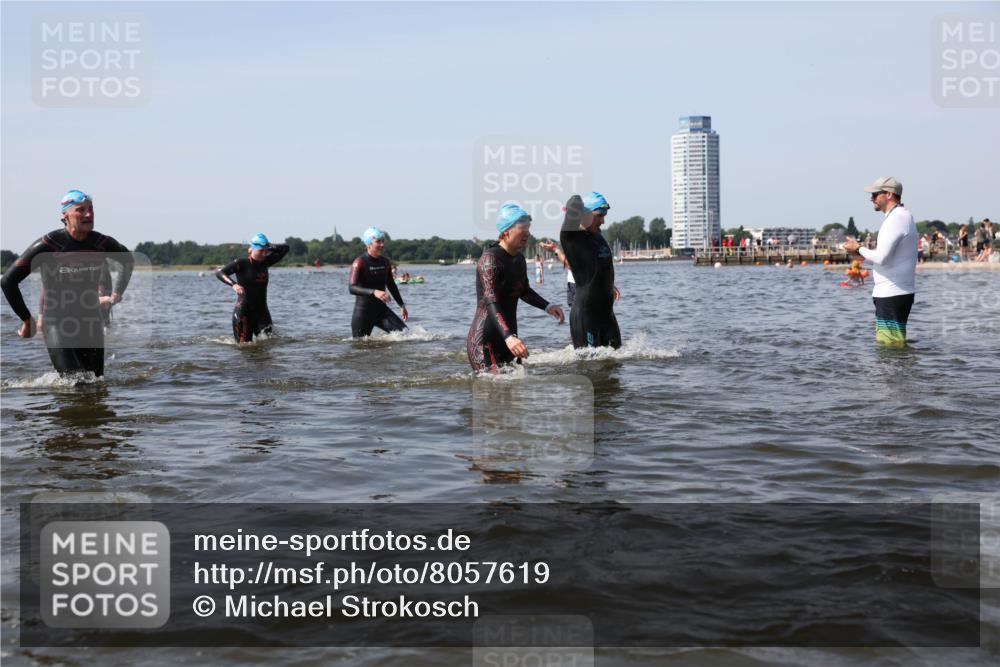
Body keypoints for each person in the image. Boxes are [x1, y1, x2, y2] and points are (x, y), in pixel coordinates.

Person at [1, 189, 134, 377]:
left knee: (95, 383)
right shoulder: (50, 244)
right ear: (66, 216)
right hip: (57, 322)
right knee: (75, 381)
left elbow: (127, 260)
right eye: (80, 210)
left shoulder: (100, 242)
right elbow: (8, 281)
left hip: (91, 323)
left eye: (91, 209)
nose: (88, 214)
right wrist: (27, 320)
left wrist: (117, 293)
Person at [467, 203, 564, 373]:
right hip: (485, 341)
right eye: (523, 229)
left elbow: (523, 290)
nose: (528, 233)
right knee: (491, 394)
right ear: (506, 232)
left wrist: (548, 306)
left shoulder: (518, 259)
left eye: (529, 228)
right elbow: (491, 301)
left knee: (514, 395)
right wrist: (508, 336)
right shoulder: (490, 260)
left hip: (509, 339)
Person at [844, 177, 917, 348]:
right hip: (895, 292)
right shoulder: (901, 216)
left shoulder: (897, 218)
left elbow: (881, 257)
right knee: (893, 346)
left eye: (875, 194)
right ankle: (901, 374)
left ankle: (894, 375)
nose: (871, 199)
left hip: (892, 293)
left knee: (889, 348)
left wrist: (858, 248)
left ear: (889, 194)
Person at [559, 192, 622, 349]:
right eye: (599, 215)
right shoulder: (571, 237)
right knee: (588, 367)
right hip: (585, 315)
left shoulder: (598, 235)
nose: (603, 221)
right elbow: (573, 201)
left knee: (615, 363)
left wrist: (608, 285)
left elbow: (598, 266)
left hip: (607, 315)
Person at [215, 233, 289, 342]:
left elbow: (285, 248)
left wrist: (268, 245)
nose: (264, 254)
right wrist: (234, 284)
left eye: (266, 251)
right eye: (261, 251)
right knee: (244, 349)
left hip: (262, 313)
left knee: (268, 345)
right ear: (253, 249)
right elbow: (220, 272)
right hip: (244, 313)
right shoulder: (241, 263)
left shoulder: (266, 262)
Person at [348, 227, 408, 337]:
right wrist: (374, 292)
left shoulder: (385, 262)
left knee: (406, 335)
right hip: (363, 313)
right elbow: (352, 287)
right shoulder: (360, 262)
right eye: (378, 242)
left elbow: (391, 284)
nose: (382, 245)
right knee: (360, 348)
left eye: (383, 241)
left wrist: (401, 305)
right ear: (369, 244)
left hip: (381, 311)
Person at [538, 239, 576, 306]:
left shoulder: (582, 240)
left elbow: (571, 264)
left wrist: (555, 249)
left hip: (578, 285)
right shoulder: (593, 239)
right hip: (576, 284)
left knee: (577, 313)